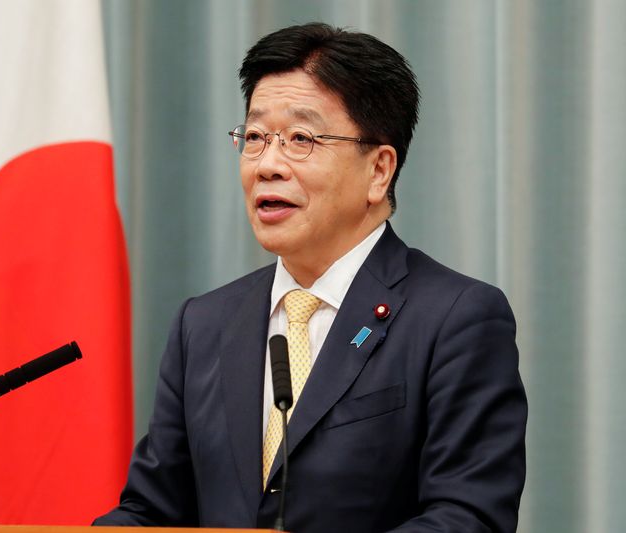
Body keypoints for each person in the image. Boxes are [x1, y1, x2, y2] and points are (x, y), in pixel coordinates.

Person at [95, 22, 527, 532]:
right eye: (254, 137)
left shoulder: (456, 318)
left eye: (301, 138)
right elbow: (151, 510)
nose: (267, 164)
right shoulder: (205, 324)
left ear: (379, 171)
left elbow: (467, 517)